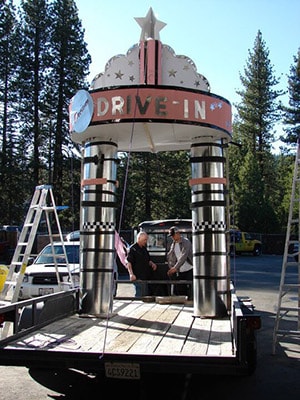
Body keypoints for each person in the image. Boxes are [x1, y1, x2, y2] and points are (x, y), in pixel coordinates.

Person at [126, 231, 157, 297]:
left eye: (146, 240)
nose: (145, 241)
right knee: (139, 295)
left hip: (146, 276)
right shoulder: (132, 249)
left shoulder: (144, 248)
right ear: (139, 238)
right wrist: (131, 274)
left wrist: (152, 263)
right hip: (137, 276)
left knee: (146, 294)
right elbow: (129, 263)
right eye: (144, 240)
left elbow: (147, 259)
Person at [167, 226, 193, 300]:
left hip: (189, 268)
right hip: (180, 270)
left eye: (173, 235)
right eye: (171, 236)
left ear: (178, 234)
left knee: (190, 287)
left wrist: (175, 268)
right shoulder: (173, 244)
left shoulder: (186, 242)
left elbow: (183, 256)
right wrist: (171, 267)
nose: (172, 237)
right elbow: (171, 256)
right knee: (180, 288)